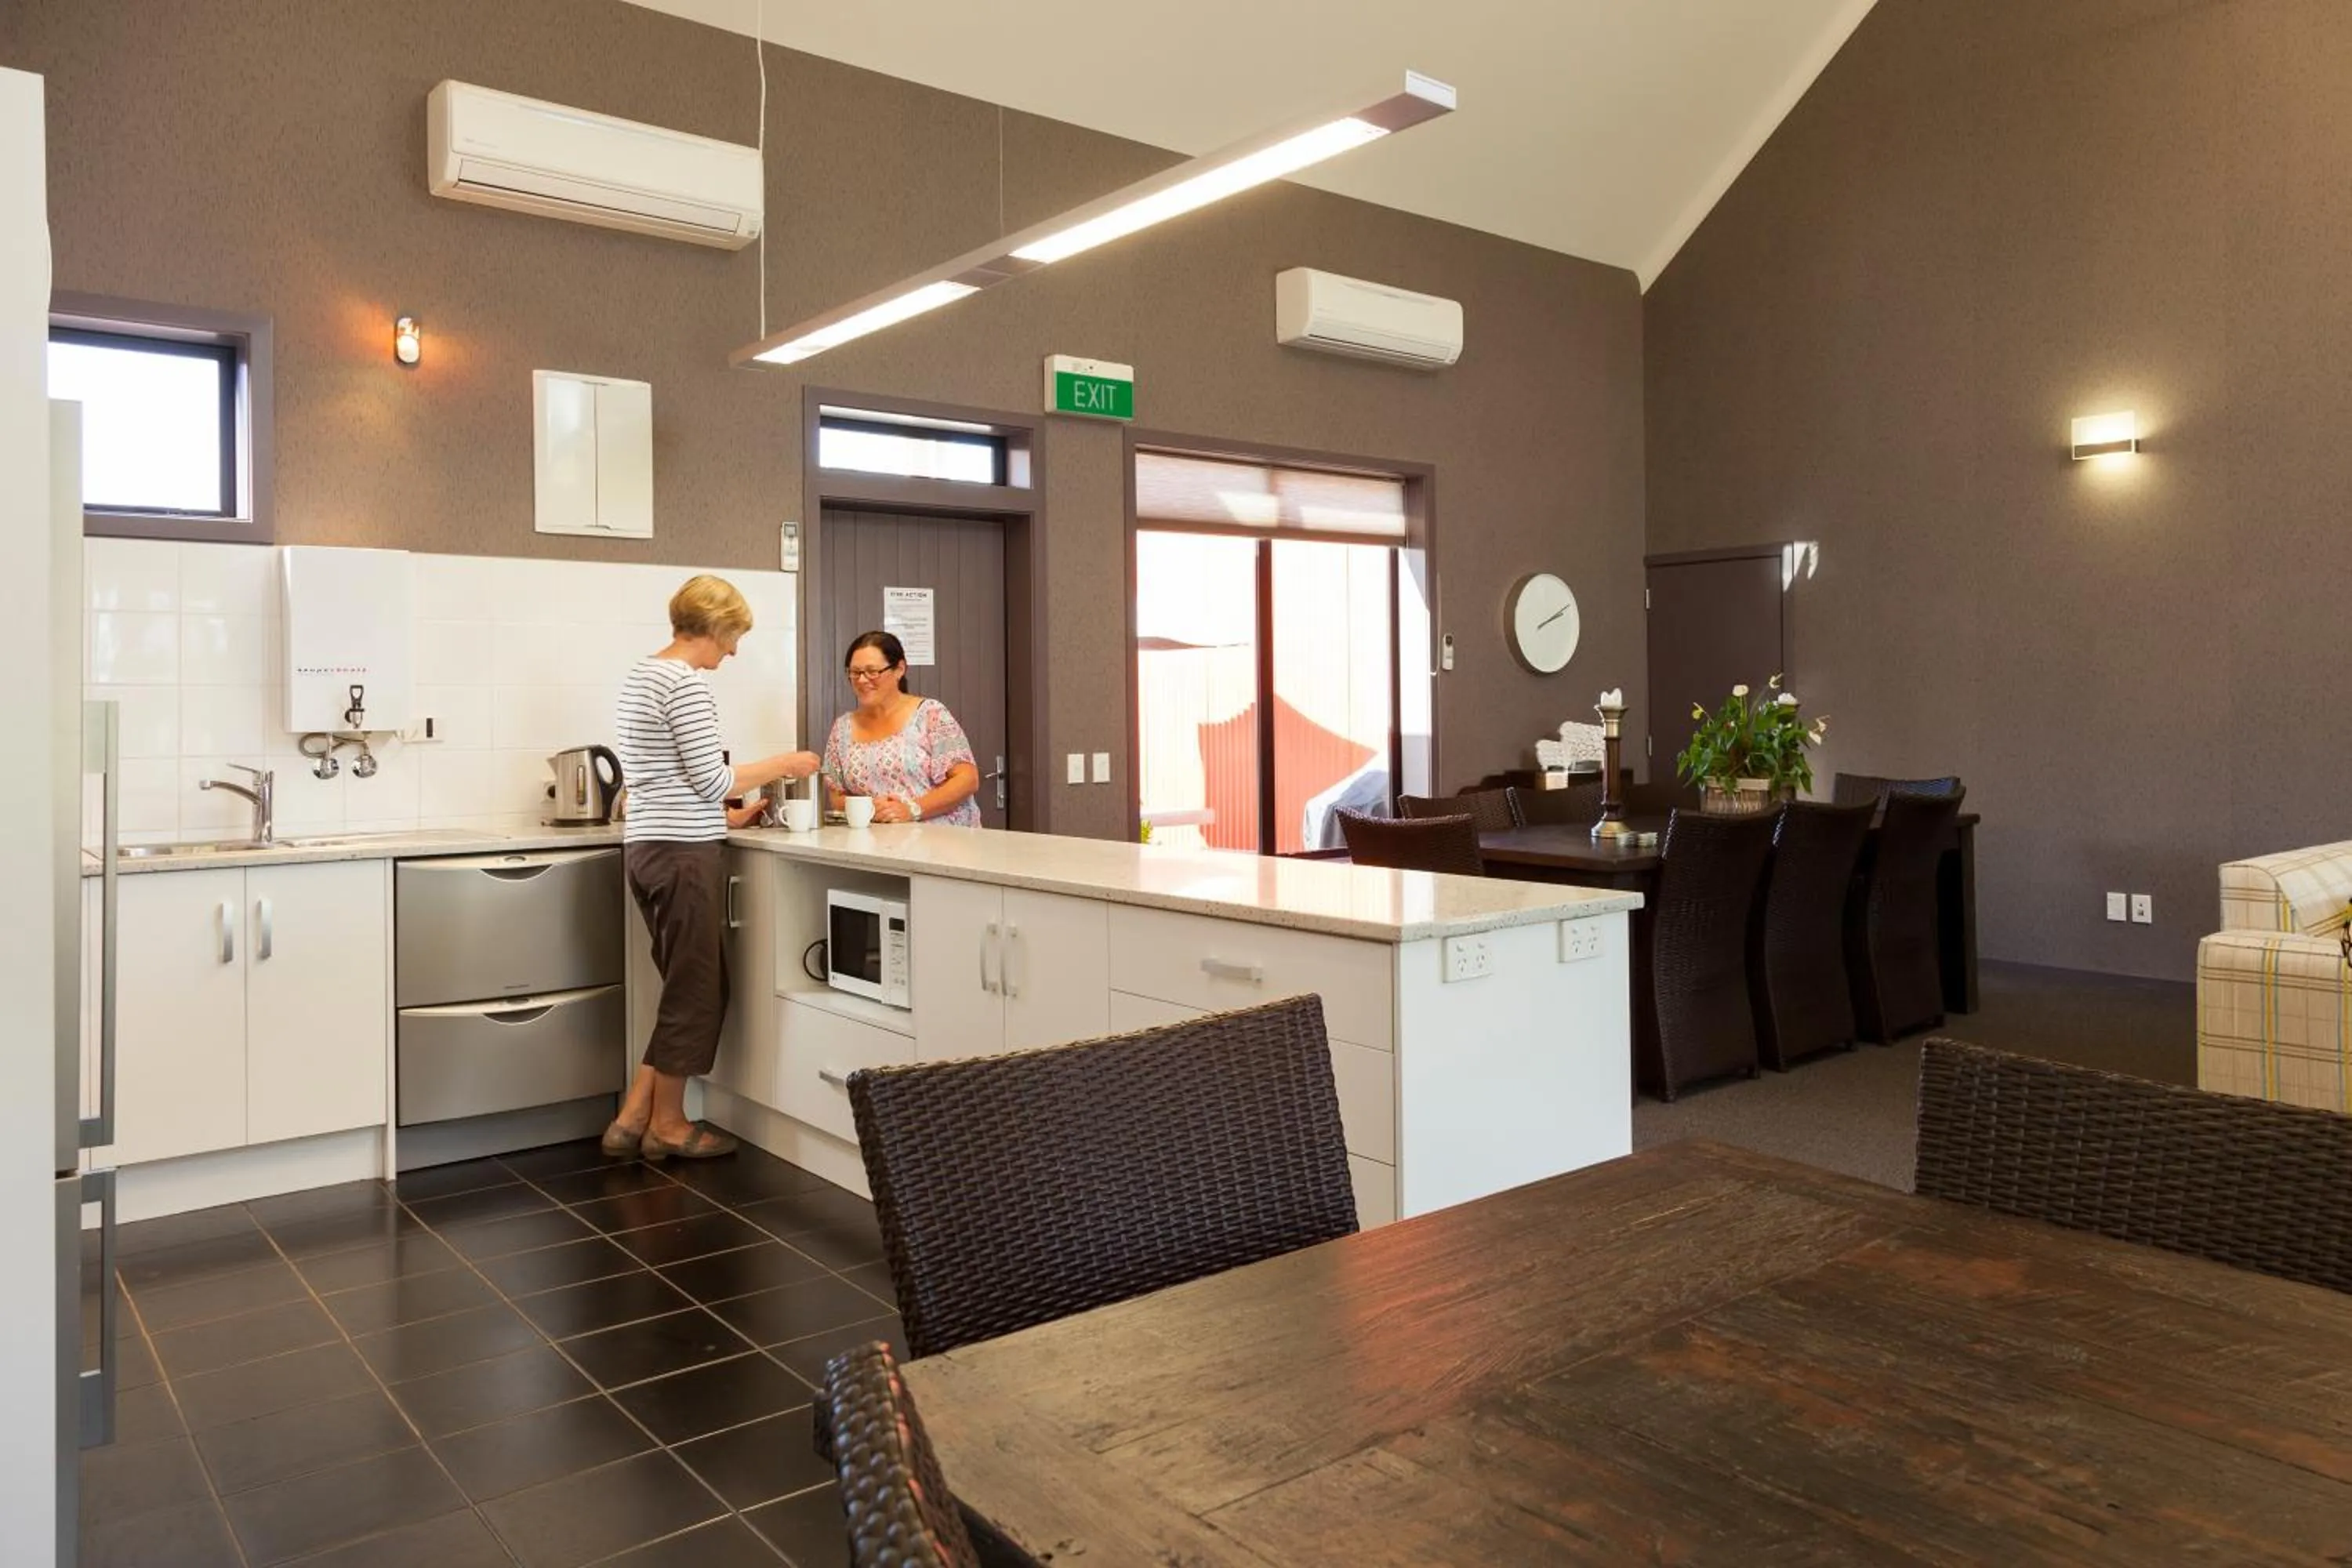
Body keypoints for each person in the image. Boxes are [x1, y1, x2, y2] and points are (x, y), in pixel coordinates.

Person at [608, 575, 819, 1160]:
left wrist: (722, 821)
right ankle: (669, 1126)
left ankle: (631, 1120)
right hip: (682, 856)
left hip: (649, 846)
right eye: (734, 638)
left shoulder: (641, 675)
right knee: (698, 992)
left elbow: (659, 778)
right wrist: (783, 762)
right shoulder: (685, 685)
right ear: (717, 628)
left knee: (684, 986)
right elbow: (713, 780)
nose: (734, 651)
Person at [822, 630, 983, 826]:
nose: (862, 680)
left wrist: (912, 809)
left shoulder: (930, 715)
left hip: (943, 844)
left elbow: (967, 779)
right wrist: (870, 808)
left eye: (872, 672)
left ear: (899, 669)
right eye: (855, 673)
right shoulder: (842, 730)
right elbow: (836, 796)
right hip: (878, 846)